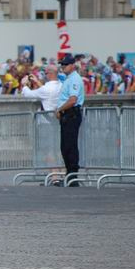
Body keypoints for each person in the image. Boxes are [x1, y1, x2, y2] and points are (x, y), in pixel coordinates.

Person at [55, 54, 85, 185]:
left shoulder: (74, 79)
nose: (63, 67)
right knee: (65, 147)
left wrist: (59, 109)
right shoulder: (68, 78)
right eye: (62, 65)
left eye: (65, 65)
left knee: (70, 146)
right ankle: (69, 175)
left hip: (71, 114)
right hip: (67, 115)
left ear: (72, 65)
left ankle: (72, 177)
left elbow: (73, 100)